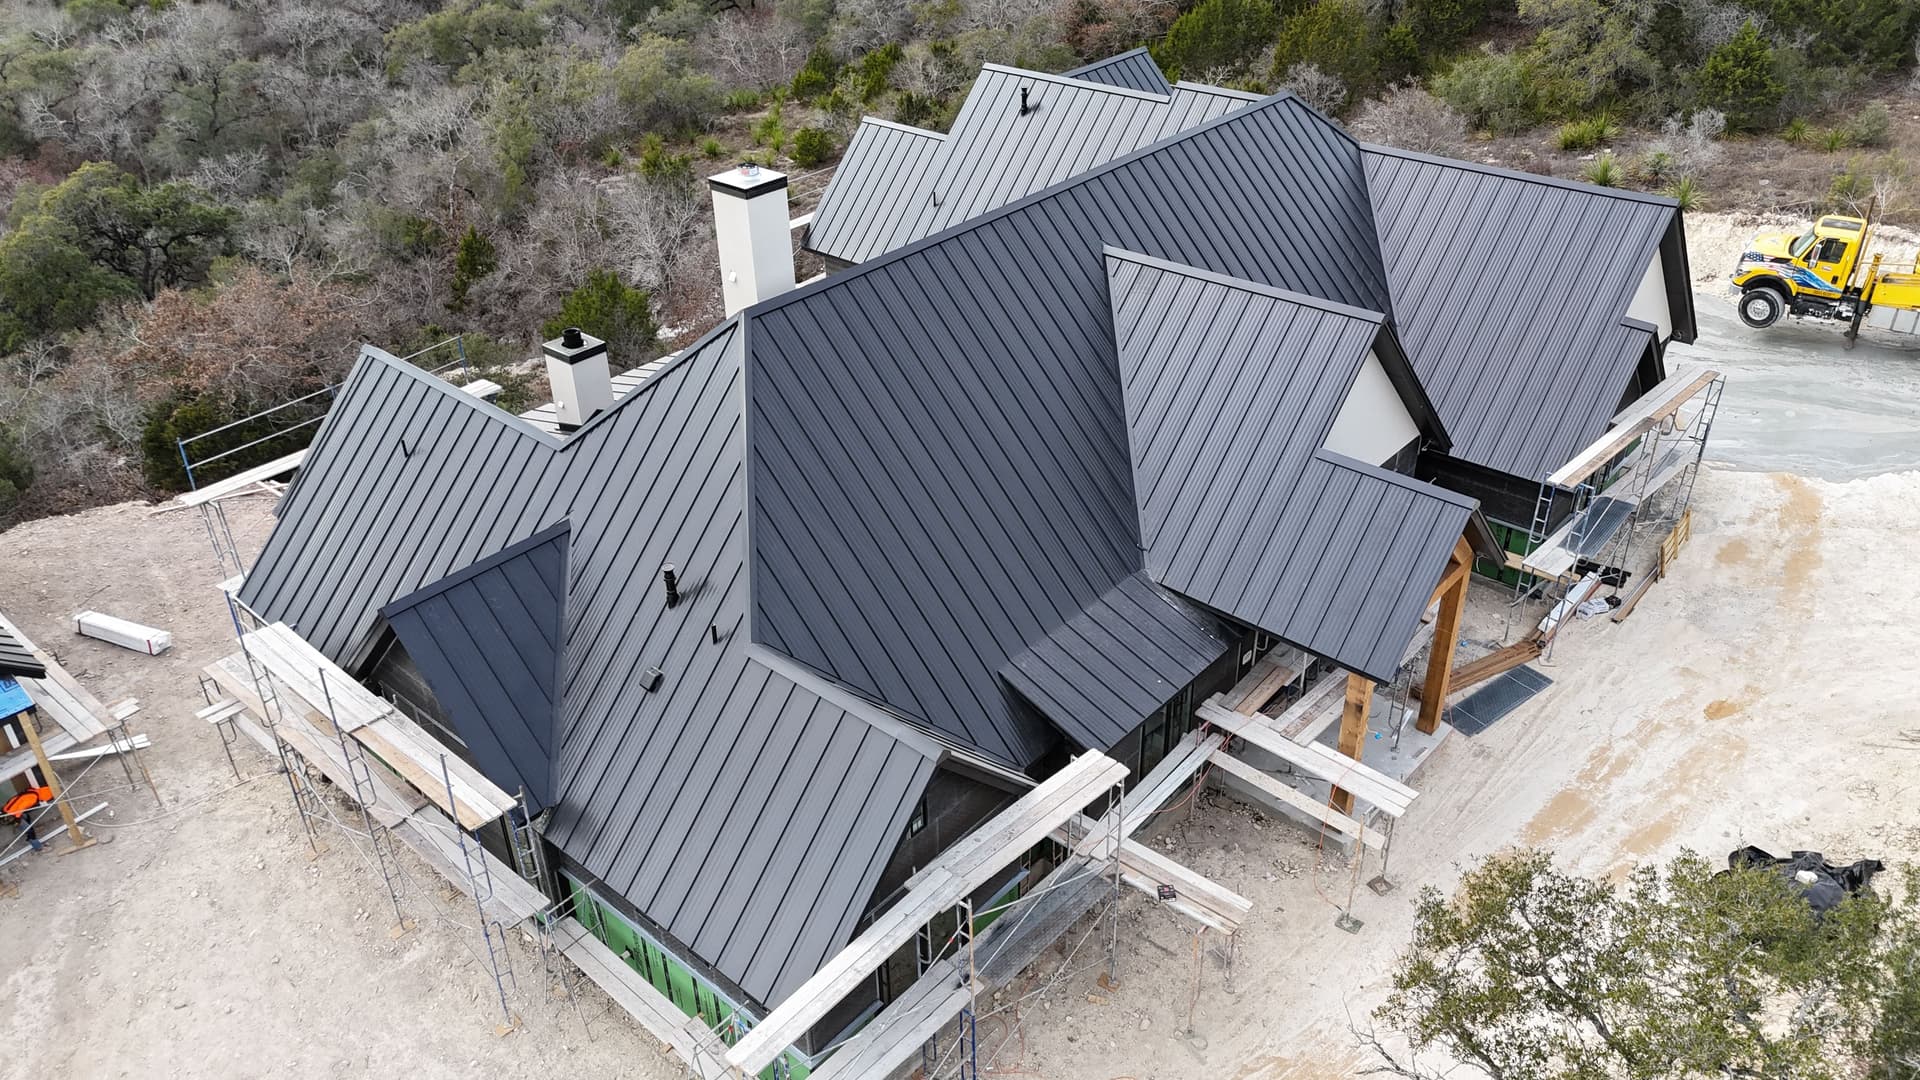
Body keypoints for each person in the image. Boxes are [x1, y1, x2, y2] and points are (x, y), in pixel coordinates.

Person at [2, 785, 53, 853]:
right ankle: (39, 848)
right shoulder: (33, 798)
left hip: (6, 811)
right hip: (11, 816)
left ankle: (31, 836)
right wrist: (17, 819)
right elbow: (20, 808)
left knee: (26, 817)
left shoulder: (32, 791)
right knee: (29, 831)